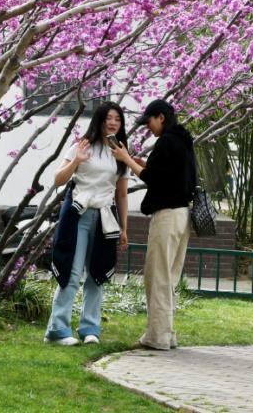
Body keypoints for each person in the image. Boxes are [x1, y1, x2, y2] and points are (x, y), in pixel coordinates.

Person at [44, 101, 130, 346]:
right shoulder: (82, 146)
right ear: (100, 120)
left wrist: (124, 228)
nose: (113, 122)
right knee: (72, 271)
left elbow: (122, 194)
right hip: (78, 216)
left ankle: (90, 328)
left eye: (117, 119)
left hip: (104, 218)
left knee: (97, 273)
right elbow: (58, 180)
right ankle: (57, 330)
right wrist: (76, 161)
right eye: (108, 118)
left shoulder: (121, 152)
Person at [114, 99, 196, 351]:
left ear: (160, 117)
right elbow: (168, 174)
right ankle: (167, 334)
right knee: (169, 277)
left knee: (156, 276)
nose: (148, 127)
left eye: (149, 121)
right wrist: (143, 162)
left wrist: (127, 159)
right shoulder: (183, 140)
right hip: (184, 214)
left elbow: (153, 179)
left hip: (167, 215)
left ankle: (156, 336)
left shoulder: (167, 141)